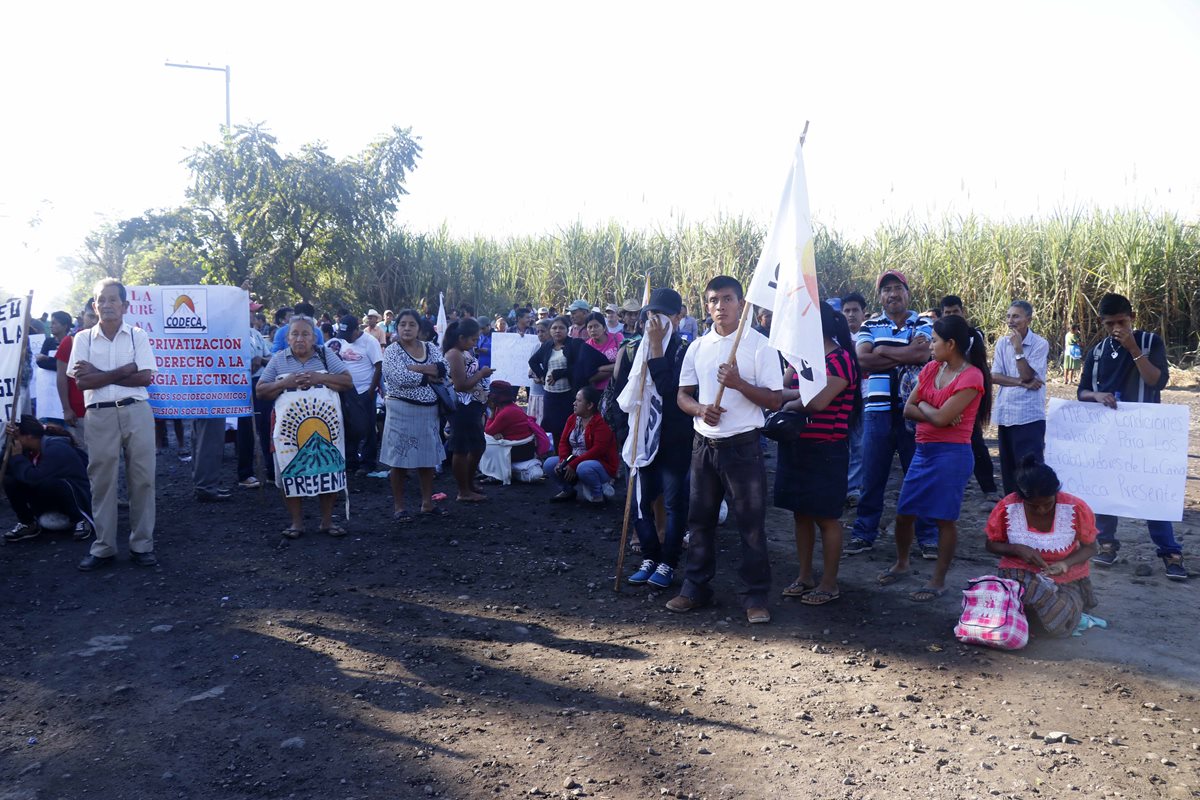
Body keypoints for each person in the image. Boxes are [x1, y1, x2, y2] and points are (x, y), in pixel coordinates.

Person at [666, 275, 783, 625]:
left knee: (750, 524)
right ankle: (695, 587)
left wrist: (738, 384)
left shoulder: (760, 346)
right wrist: (701, 409)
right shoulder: (697, 347)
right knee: (699, 520)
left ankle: (755, 596)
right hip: (704, 445)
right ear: (707, 305)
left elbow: (775, 399)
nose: (721, 306)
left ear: (741, 303)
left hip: (744, 446)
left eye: (728, 299)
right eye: (714, 300)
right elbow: (682, 396)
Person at [1077, 293, 1188, 580]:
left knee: (1153, 492)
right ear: (1102, 322)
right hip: (1108, 432)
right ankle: (1107, 544)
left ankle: (1170, 551)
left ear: (1132, 318)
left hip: (1145, 432)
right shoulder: (1098, 351)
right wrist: (1097, 395)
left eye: (1122, 321)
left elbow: (1156, 380)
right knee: (1104, 489)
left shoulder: (1150, 342)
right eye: (1109, 323)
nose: (1116, 327)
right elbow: (1082, 392)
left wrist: (1132, 347)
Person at [882, 314, 991, 601]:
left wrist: (929, 410)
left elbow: (936, 416)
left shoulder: (972, 376)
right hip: (924, 451)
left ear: (951, 344)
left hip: (952, 455)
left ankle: (938, 579)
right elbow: (909, 408)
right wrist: (936, 413)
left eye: (934, 340)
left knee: (944, 519)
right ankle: (902, 563)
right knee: (904, 513)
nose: (930, 346)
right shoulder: (932, 368)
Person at [846, 271, 939, 558]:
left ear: (907, 293)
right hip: (877, 410)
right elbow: (862, 358)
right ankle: (864, 533)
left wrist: (882, 350)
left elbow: (922, 355)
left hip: (913, 409)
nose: (892, 294)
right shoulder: (870, 323)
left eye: (897, 288)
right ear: (880, 296)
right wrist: (904, 351)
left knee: (919, 474)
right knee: (873, 475)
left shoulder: (923, 322)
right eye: (886, 290)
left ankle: (928, 537)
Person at [773, 301, 861, 605]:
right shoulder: (800, 359)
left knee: (826, 517)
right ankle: (805, 575)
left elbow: (817, 403)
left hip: (827, 450)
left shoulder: (840, 360)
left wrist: (791, 401)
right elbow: (779, 390)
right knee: (801, 514)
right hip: (797, 445)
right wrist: (796, 396)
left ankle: (829, 582)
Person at [68, 278, 158, 570]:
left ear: (125, 305)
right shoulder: (82, 338)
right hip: (99, 414)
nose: (107, 305)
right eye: (101, 300)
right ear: (94, 305)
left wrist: (100, 373)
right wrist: (124, 370)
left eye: (113, 299)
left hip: (137, 411)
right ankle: (104, 547)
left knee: (142, 479)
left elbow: (144, 378)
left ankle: (142, 545)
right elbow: (82, 382)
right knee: (102, 481)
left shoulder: (137, 336)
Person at [256, 315, 354, 538]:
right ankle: (296, 523)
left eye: (305, 334)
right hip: (289, 433)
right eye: (295, 334)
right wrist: (284, 383)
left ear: (314, 338)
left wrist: (318, 377)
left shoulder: (326, 355)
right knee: (291, 471)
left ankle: (327, 522)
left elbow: (347, 381)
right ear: (288, 338)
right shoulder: (279, 359)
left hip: (326, 430)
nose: (300, 338)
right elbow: (261, 391)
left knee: (328, 470)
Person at [984, 457, 1100, 637]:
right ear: (1021, 499)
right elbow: (990, 544)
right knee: (1024, 590)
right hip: (1020, 574)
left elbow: (1091, 548)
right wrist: (1016, 549)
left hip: (1066, 580)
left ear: (1056, 493)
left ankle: (1030, 616)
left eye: (1048, 504)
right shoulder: (1008, 507)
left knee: (1055, 614)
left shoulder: (1075, 508)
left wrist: (1065, 564)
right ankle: (1031, 615)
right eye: (1033, 506)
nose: (1041, 510)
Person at [625, 288, 692, 589]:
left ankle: (668, 562)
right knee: (642, 500)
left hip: (675, 438)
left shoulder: (685, 350)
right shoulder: (637, 351)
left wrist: (655, 348)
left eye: (662, 316)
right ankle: (650, 556)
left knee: (676, 503)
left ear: (678, 317)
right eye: (651, 316)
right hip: (644, 437)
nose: (655, 322)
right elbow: (626, 392)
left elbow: (668, 388)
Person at [379, 308, 449, 522]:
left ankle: (427, 503)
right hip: (401, 410)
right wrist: (428, 373)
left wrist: (415, 368)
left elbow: (443, 368)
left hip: (429, 411)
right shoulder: (392, 350)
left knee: (427, 460)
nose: (407, 328)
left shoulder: (430, 347)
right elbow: (398, 377)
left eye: (412, 324)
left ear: (419, 329)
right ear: (397, 327)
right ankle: (399, 507)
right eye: (402, 324)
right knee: (398, 461)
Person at [941, 295, 999, 502]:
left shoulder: (975, 335)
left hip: (970, 391)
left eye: (955, 311)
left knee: (974, 439)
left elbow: (976, 364)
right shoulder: (938, 337)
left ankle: (989, 487)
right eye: (947, 313)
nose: (951, 315)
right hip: (946, 394)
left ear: (962, 312)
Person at [990, 300, 1048, 496]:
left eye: (1016, 316)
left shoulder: (1040, 344)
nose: (1010, 321)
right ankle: (1013, 516)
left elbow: (1028, 375)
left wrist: (1018, 350)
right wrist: (1020, 382)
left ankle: (1034, 514)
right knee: (1009, 472)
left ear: (1028, 320)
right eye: (1008, 316)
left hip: (1028, 417)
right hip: (1006, 416)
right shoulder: (1001, 343)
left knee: (1030, 471)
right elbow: (994, 376)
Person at [3, 417, 92, 543]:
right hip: (49, 498)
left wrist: (17, 457)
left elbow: (34, 478)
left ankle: (81, 520)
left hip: (77, 495)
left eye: (16, 437)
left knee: (50, 483)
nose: (14, 441)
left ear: (28, 436)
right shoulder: (27, 449)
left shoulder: (56, 447)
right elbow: (4, 465)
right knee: (10, 481)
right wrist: (6, 446)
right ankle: (28, 524)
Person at [443, 318, 494, 503]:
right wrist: (482, 373)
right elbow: (460, 385)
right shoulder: (454, 354)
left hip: (472, 406)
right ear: (461, 337)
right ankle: (463, 491)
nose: (475, 343)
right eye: (473, 339)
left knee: (477, 445)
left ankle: (468, 484)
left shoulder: (463, 352)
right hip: (462, 407)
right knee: (462, 448)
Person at [329, 314, 385, 478]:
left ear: (356, 329)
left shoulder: (370, 342)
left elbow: (379, 366)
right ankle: (351, 461)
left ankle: (368, 463)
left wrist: (370, 391)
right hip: (347, 391)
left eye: (349, 334)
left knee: (368, 427)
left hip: (365, 391)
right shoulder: (345, 340)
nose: (346, 338)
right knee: (348, 426)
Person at [545, 386, 617, 504]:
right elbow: (563, 442)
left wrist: (573, 464)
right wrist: (563, 461)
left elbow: (598, 450)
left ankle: (598, 494)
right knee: (549, 464)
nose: (574, 403)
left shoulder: (601, 423)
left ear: (589, 405)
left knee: (584, 468)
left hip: (599, 465)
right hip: (575, 461)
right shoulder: (572, 419)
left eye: (578, 401)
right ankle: (567, 490)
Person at [528, 317, 585, 444]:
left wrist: (561, 373)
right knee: (554, 427)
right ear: (550, 331)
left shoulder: (575, 344)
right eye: (554, 328)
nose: (557, 331)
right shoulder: (548, 345)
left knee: (569, 426)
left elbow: (580, 366)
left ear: (567, 330)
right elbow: (533, 361)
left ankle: (570, 454)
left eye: (561, 328)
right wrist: (542, 376)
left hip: (568, 394)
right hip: (550, 394)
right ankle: (558, 456)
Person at [236, 301, 273, 488]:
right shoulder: (234, 335)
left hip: (262, 383)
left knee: (267, 425)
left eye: (255, 312)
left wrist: (261, 359)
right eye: (252, 312)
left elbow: (270, 358)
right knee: (246, 430)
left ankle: (271, 470)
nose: (255, 316)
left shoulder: (256, 334)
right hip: (245, 385)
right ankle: (245, 474)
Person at [840, 291, 868, 506]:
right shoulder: (836, 339)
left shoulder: (869, 336)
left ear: (863, 312)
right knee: (842, 442)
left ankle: (853, 488)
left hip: (865, 396)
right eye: (847, 311)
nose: (851, 315)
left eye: (855, 310)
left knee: (859, 443)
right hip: (841, 397)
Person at [56, 303, 95, 450]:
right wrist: (66, 408)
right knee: (85, 456)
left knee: (109, 457)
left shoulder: (110, 340)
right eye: (91, 316)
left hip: (106, 408)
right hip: (79, 410)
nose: (94, 321)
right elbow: (61, 377)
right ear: (82, 315)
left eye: (97, 317)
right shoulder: (70, 341)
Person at [34, 311, 72, 424]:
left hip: (67, 390)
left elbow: (71, 365)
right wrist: (59, 363)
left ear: (65, 326)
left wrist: (48, 359)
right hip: (48, 393)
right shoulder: (48, 341)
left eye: (55, 323)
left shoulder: (72, 342)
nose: (51, 326)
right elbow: (40, 363)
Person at [583, 311, 623, 392]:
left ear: (604, 327)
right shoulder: (586, 346)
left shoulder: (617, 338)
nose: (593, 330)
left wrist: (601, 368)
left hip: (618, 387)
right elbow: (588, 375)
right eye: (589, 327)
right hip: (597, 391)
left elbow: (624, 363)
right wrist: (614, 367)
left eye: (596, 326)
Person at [526, 319, 552, 424]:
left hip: (546, 391)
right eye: (538, 332)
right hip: (535, 391)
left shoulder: (553, 348)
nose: (540, 334)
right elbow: (531, 367)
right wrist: (534, 376)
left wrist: (542, 378)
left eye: (543, 331)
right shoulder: (536, 347)